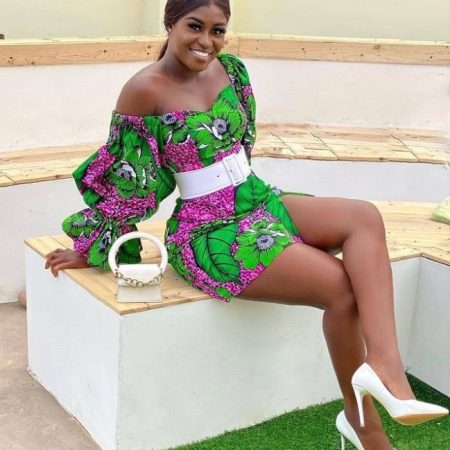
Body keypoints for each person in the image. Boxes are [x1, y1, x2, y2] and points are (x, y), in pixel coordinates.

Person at [44, 1, 448, 448]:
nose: (206, 41)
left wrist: (256, 203)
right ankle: (364, 427)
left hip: (255, 198)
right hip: (206, 229)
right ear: (170, 23)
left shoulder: (231, 70)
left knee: (363, 216)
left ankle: (386, 366)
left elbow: (243, 142)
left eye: (218, 30)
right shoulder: (143, 90)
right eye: (194, 26)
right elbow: (131, 178)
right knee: (340, 288)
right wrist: (94, 245)